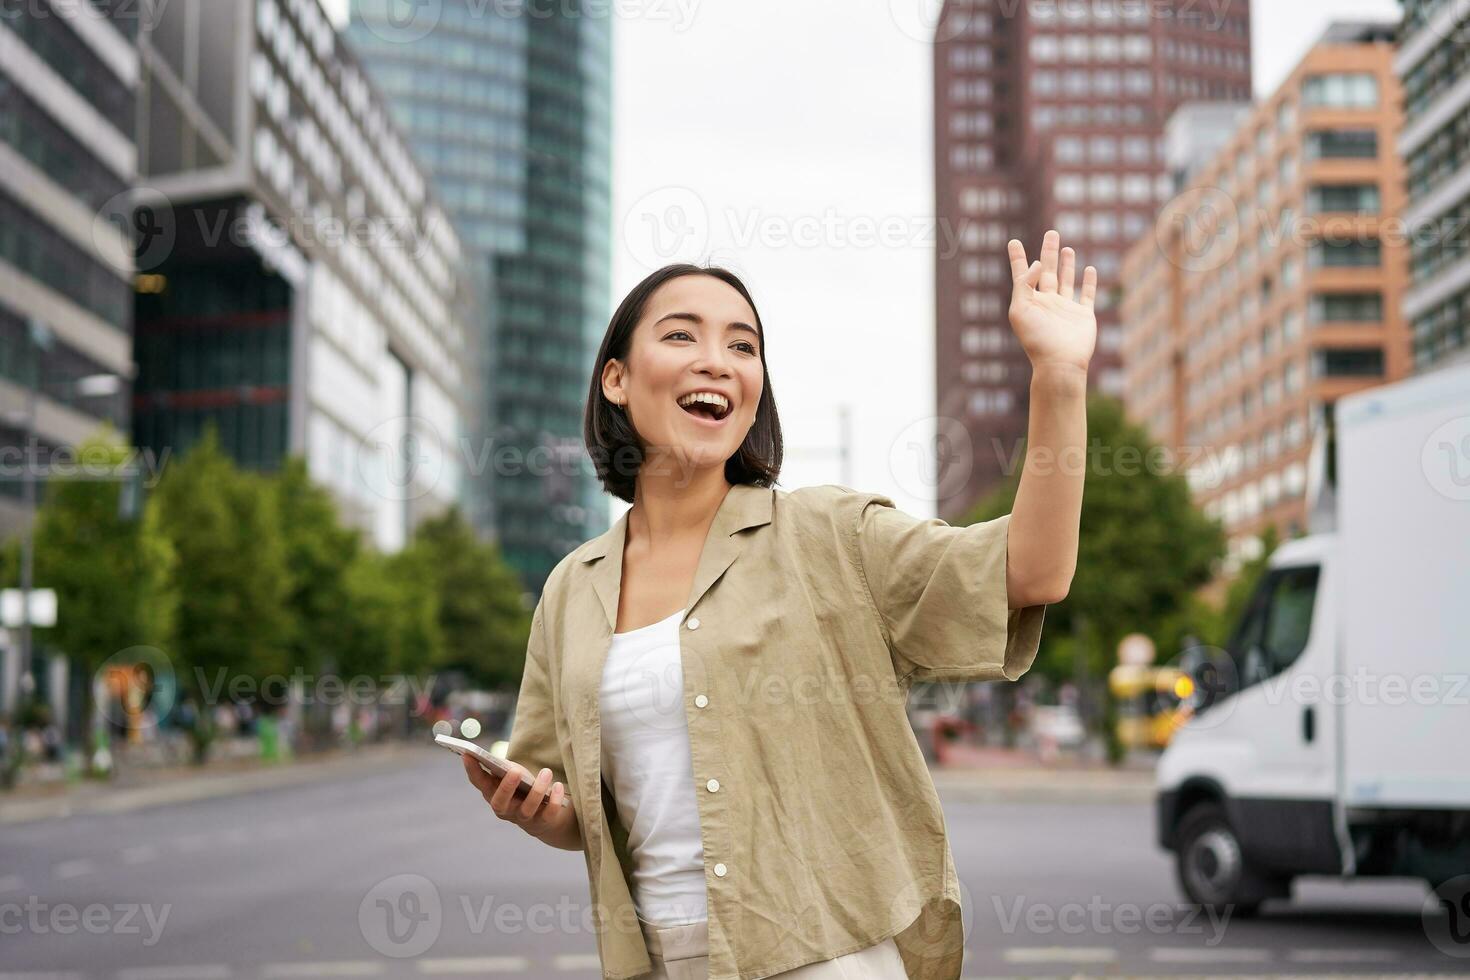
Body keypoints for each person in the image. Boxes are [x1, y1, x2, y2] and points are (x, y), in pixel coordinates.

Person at [462, 231, 1093, 979]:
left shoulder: (833, 537)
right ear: (616, 380)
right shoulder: (573, 587)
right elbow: (580, 811)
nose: (717, 362)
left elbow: (1032, 571)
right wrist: (537, 810)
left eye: (743, 346)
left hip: (827, 958)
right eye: (680, 335)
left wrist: (1057, 376)